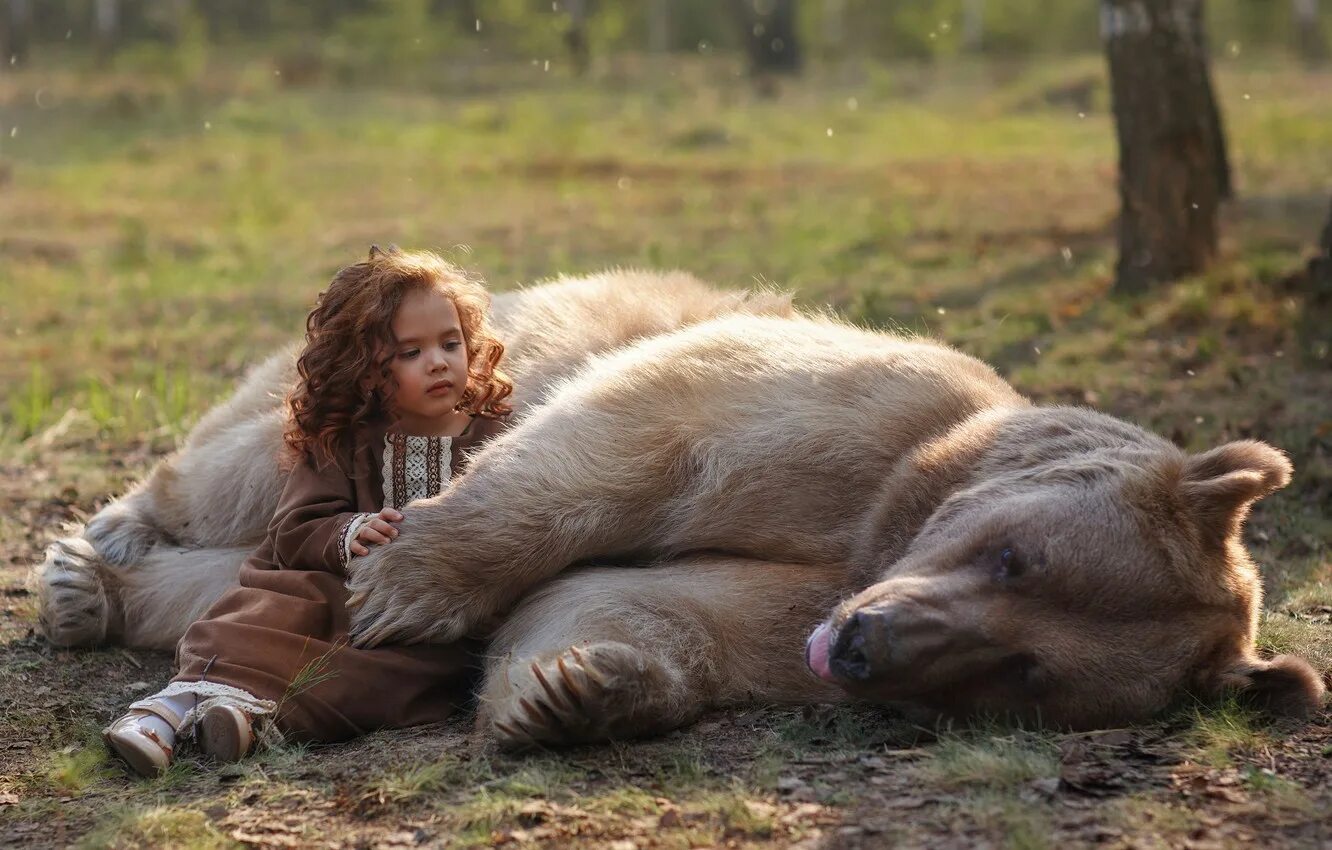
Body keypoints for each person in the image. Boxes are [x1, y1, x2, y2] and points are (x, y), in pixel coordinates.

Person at [102, 246, 513, 776]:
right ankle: (160, 715)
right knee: (257, 622)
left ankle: (246, 721)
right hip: (328, 588)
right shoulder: (344, 441)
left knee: (392, 675)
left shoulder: (496, 438)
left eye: (450, 343)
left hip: (414, 620)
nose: (437, 362)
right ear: (366, 371)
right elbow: (295, 529)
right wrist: (349, 532)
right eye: (410, 352)